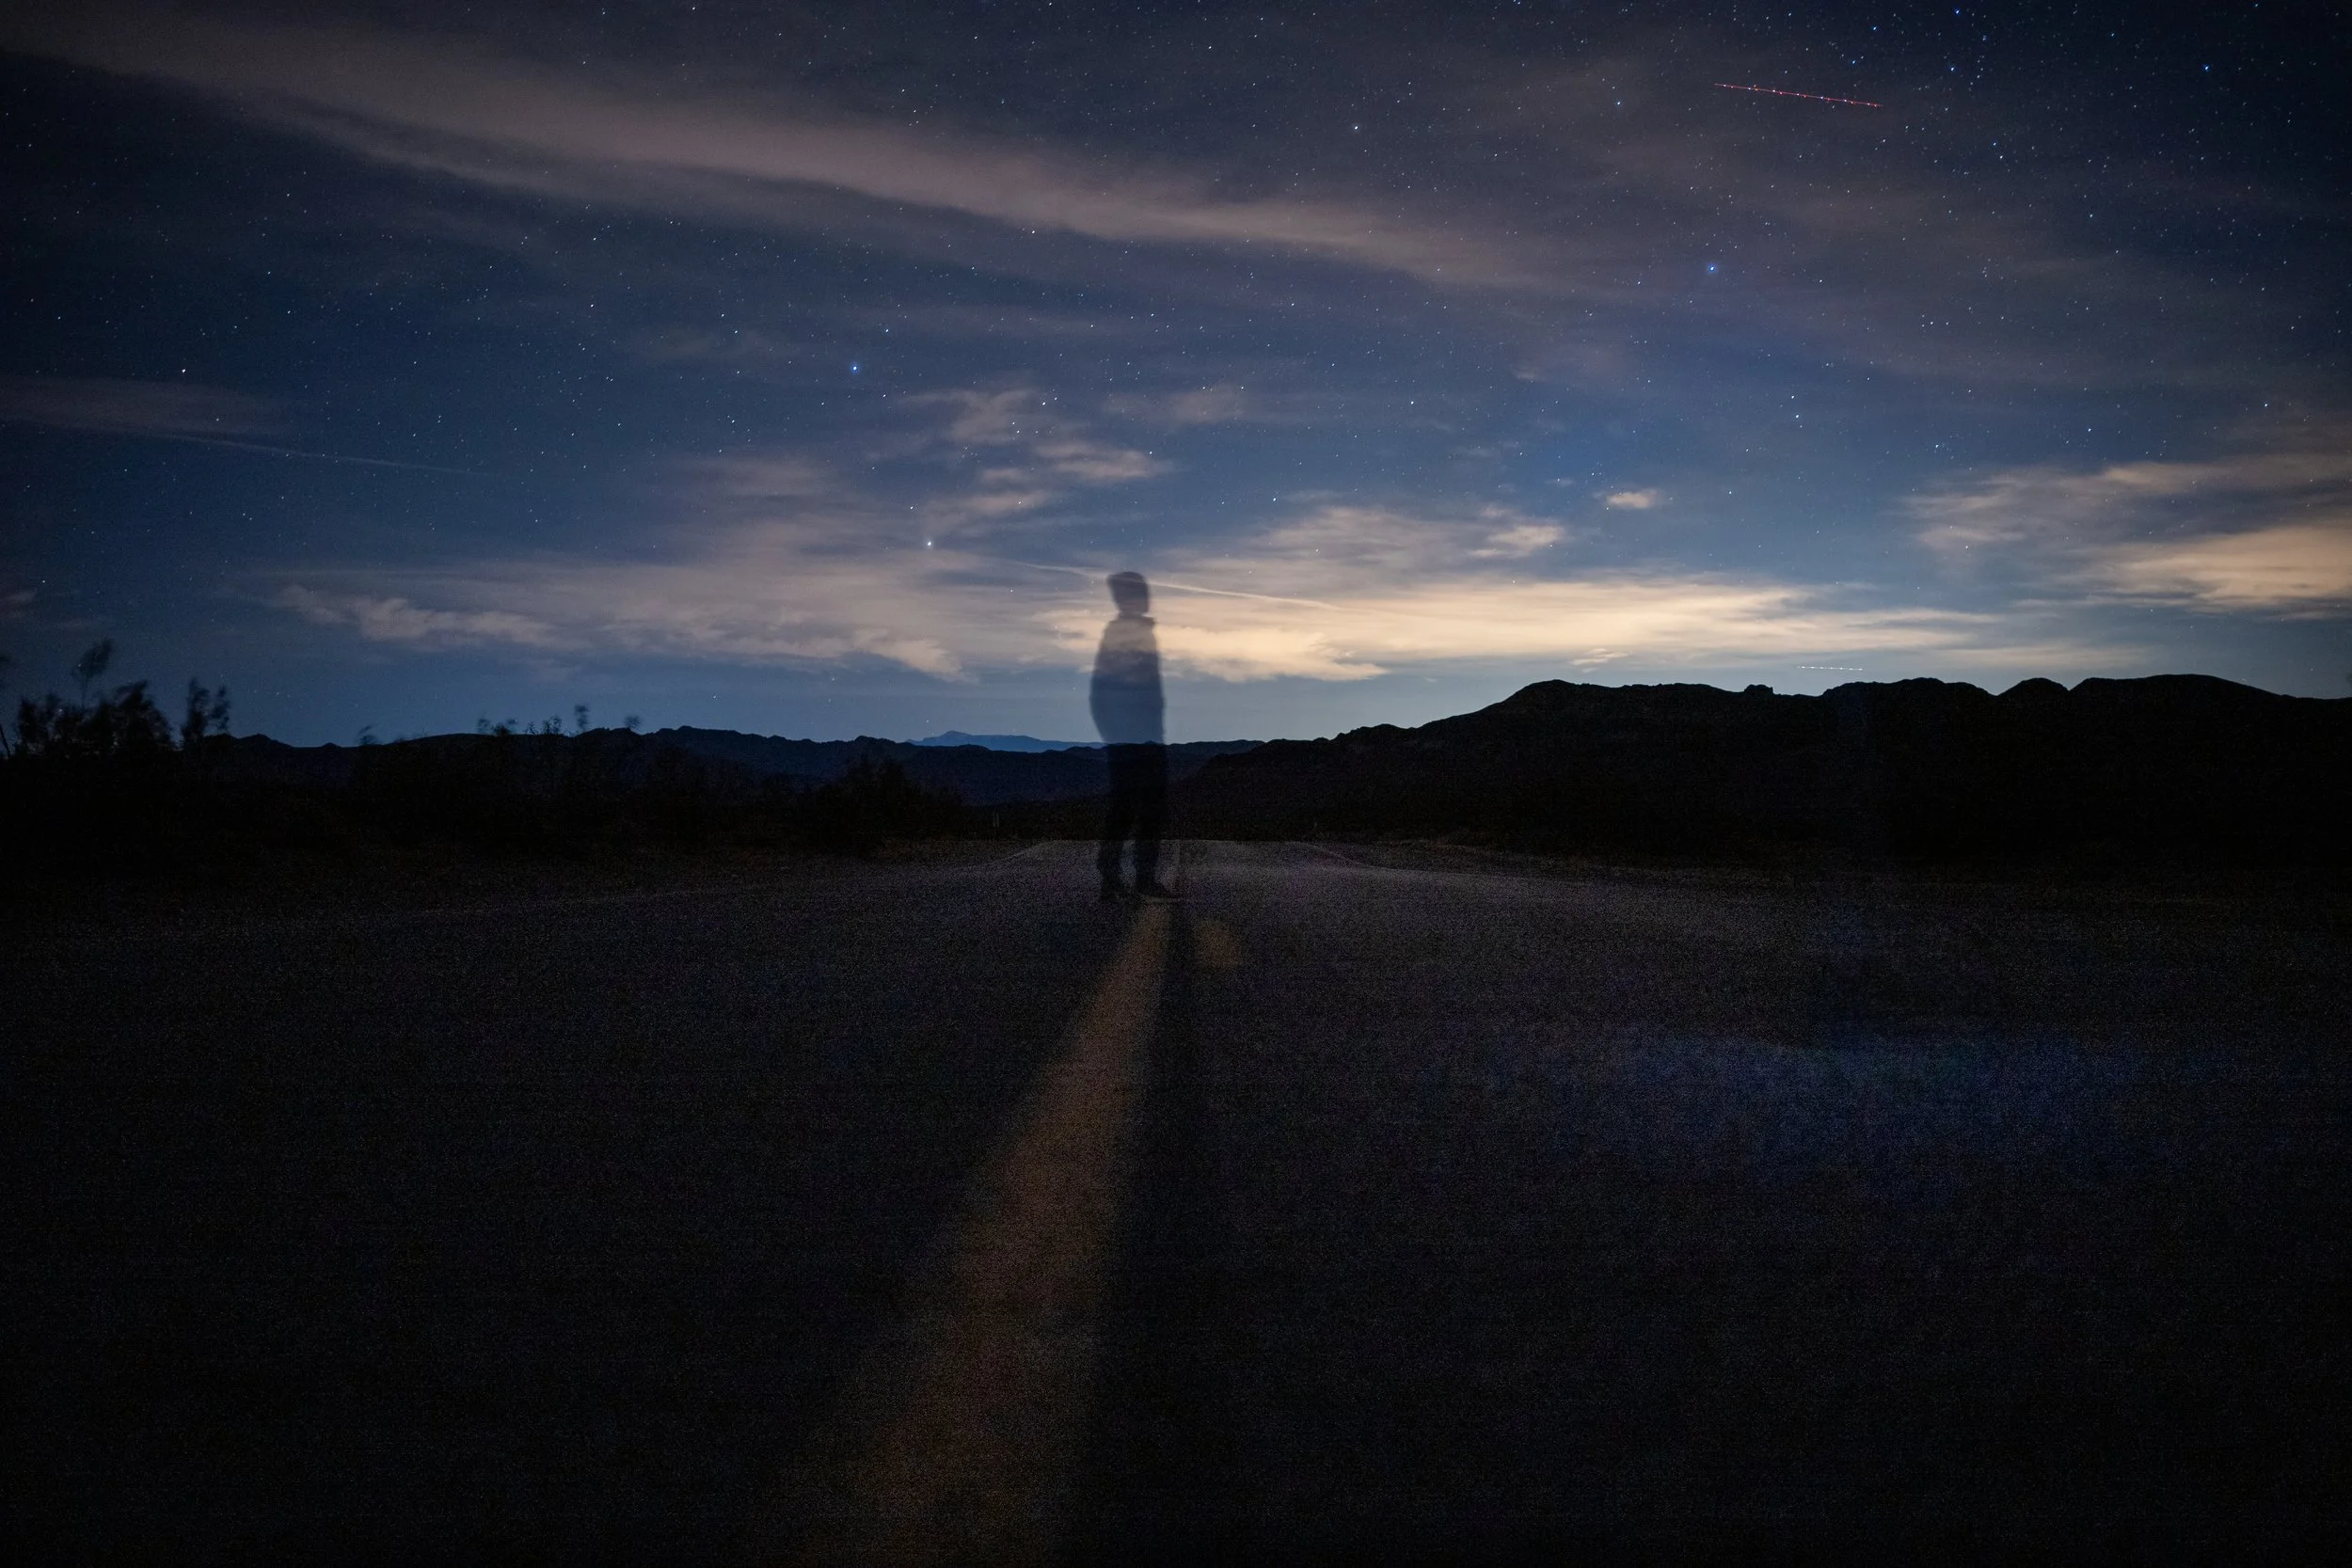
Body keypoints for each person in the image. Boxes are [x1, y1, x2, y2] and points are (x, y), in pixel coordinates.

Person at [1089, 570, 1175, 900]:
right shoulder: (1122, 633)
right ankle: (1117, 878)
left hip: (1145, 736)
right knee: (1130, 807)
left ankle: (1137, 879)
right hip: (1131, 737)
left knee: (1143, 808)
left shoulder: (1139, 631)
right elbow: (1102, 689)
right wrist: (1115, 732)